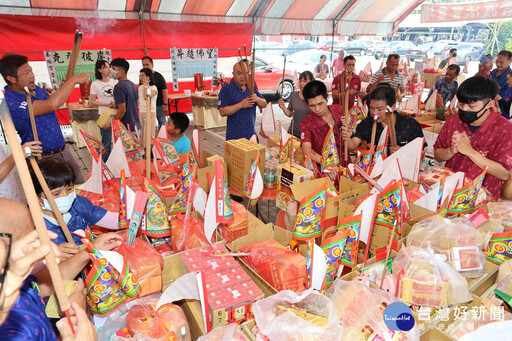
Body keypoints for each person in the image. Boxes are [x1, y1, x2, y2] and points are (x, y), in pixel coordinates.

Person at [0, 198, 121, 340]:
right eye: (31, 236)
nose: (37, 243)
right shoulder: (13, 331)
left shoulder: (12, 278)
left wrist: (91, 250)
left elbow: (42, 283)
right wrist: (78, 326)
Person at [0, 54, 90, 184]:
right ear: (11, 78)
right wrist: (73, 81)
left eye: (31, 70)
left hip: (64, 150)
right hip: (44, 159)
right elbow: (51, 105)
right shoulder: (12, 102)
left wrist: (62, 87)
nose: (32, 75)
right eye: (26, 72)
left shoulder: (34, 89)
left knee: (80, 187)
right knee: (57, 195)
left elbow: (49, 100)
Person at [434, 76, 512, 199]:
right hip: (448, 193)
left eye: (472, 106)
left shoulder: (505, 129)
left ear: (490, 103)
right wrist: (450, 151)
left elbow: (505, 174)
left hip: (483, 199)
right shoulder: (454, 121)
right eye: (461, 104)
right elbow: (437, 155)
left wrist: (470, 152)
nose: (464, 110)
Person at [30, 158, 119, 258]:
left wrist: (135, 218)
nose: (65, 196)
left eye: (69, 189)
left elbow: (111, 220)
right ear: (36, 196)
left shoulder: (78, 203)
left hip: (94, 261)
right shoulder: (30, 224)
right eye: (56, 193)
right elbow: (33, 265)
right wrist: (52, 254)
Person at [342, 85, 423, 155]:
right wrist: (347, 138)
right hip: (375, 170)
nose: (374, 113)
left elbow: (422, 153)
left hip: (401, 170)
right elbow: (352, 147)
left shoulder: (410, 124)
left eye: (379, 109)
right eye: (372, 108)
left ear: (393, 107)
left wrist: (403, 152)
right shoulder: (367, 123)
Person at [300, 80, 345, 174]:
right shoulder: (306, 123)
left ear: (327, 98)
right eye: (312, 106)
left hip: (345, 164)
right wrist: (327, 163)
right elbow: (306, 150)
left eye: (320, 104)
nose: (317, 109)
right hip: (325, 170)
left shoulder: (339, 110)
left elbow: (351, 142)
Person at [218, 60, 267, 141]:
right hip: (233, 136)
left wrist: (257, 99)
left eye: (246, 73)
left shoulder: (251, 88)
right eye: (239, 73)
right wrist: (241, 105)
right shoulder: (226, 90)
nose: (243, 76)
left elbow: (264, 104)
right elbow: (222, 112)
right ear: (233, 74)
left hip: (251, 134)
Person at [90, 59, 117, 162]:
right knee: (106, 142)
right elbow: (92, 101)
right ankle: (105, 164)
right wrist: (107, 104)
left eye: (108, 66)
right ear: (99, 70)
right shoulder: (95, 84)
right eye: (105, 67)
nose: (108, 69)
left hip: (116, 113)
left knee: (118, 139)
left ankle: (117, 163)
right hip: (103, 115)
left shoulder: (115, 82)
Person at [277, 71, 314, 138]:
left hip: (309, 134)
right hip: (294, 133)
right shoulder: (294, 96)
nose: (302, 83)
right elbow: (290, 114)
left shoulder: (315, 97)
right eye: (300, 81)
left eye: (305, 81)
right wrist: (284, 108)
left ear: (311, 82)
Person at [110, 57, 140, 133]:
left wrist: (113, 124)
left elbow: (122, 110)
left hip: (126, 128)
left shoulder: (119, 87)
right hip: (136, 126)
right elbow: (137, 103)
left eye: (113, 69)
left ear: (122, 72)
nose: (111, 71)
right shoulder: (132, 84)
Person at [142, 56, 169, 128]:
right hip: (147, 105)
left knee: (162, 124)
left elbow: (165, 91)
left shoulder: (159, 76)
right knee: (149, 126)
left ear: (152, 64)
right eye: (143, 65)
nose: (145, 66)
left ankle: (163, 138)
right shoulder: (143, 77)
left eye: (147, 64)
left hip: (158, 105)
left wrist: (165, 105)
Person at [138, 68, 158, 149]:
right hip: (141, 111)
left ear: (149, 77)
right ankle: (144, 151)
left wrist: (146, 85)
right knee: (142, 133)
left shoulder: (153, 87)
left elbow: (146, 96)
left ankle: (150, 152)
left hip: (150, 112)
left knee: (149, 133)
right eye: (140, 76)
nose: (141, 78)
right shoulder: (140, 87)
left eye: (143, 76)